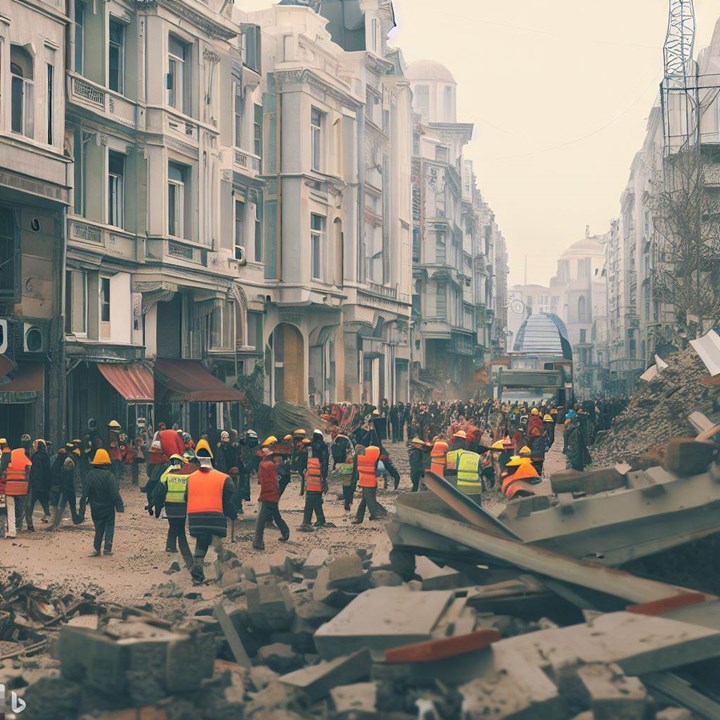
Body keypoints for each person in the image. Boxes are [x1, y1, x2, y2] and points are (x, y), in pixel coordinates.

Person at [186, 444, 237, 585]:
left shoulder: (190, 478)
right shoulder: (224, 478)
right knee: (217, 542)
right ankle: (225, 570)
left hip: (196, 520)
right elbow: (228, 500)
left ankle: (197, 570)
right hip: (216, 519)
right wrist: (232, 514)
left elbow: (186, 498)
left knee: (201, 541)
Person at [152, 453, 196, 567]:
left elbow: (160, 490)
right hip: (182, 506)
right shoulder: (187, 476)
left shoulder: (167, 474)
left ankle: (170, 545)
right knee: (180, 528)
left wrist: (157, 507)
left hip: (169, 505)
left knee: (173, 525)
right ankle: (185, 555)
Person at [79, 449, 124, 556]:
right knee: (109, 526)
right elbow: (115, 493)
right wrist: (119, 506)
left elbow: (84, 494)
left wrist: (82, 510)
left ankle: (97, 548)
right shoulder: (110, 476)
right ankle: (107, 548)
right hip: (108, 507)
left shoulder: (90, 475)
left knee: (98, 528)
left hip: (95, 507)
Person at [253, 449, 290, 550]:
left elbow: (261, 481)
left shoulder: (263, 465)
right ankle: (285, 532)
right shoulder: (271, 465)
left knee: (261, 520)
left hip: (266, 494)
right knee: (276, 516)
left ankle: (258, 542)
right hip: (273, 493)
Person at [51, 443, 83, 529]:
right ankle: (56, 524)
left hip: (64, 485)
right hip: (66, 486)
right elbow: (68, 477)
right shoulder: (69, 460)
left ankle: (57, 523)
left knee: (65, 504)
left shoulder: (65, 458)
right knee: (62, 504)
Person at [352, 445, 384, 524]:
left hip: (364, 480)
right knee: (367, 498)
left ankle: (361, 517)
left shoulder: (358, 457)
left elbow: (355, 471)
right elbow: (379, 469)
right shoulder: (374, 454)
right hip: (371, 480)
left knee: (367, 498)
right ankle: (368, 515)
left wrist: (354, 482)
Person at [4, 447, 31, 539]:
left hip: (10, 489)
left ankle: (11, 531)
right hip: (21, 489)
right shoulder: (25, 465)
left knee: (10, 510)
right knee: (20, 507)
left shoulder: (8, 465)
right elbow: (28, 475)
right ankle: (19, 525)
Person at [298, 451, 326, 532]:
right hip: (318, 487)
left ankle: (306, 522)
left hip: (310, 486)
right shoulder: (320, 462)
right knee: (317, 503)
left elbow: (302, 473)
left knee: (308, 506)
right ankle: (321, 519)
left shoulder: (307, 462)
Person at [27, 440, 51, 527]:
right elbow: (47, 471)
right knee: (44, 500)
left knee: (31, 503)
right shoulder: (46, 456)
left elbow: (35, 471)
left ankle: (29, 523)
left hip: (36, 484)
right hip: (44, 484)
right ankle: (47, 516)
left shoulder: (35, 456)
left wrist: (32, 483)